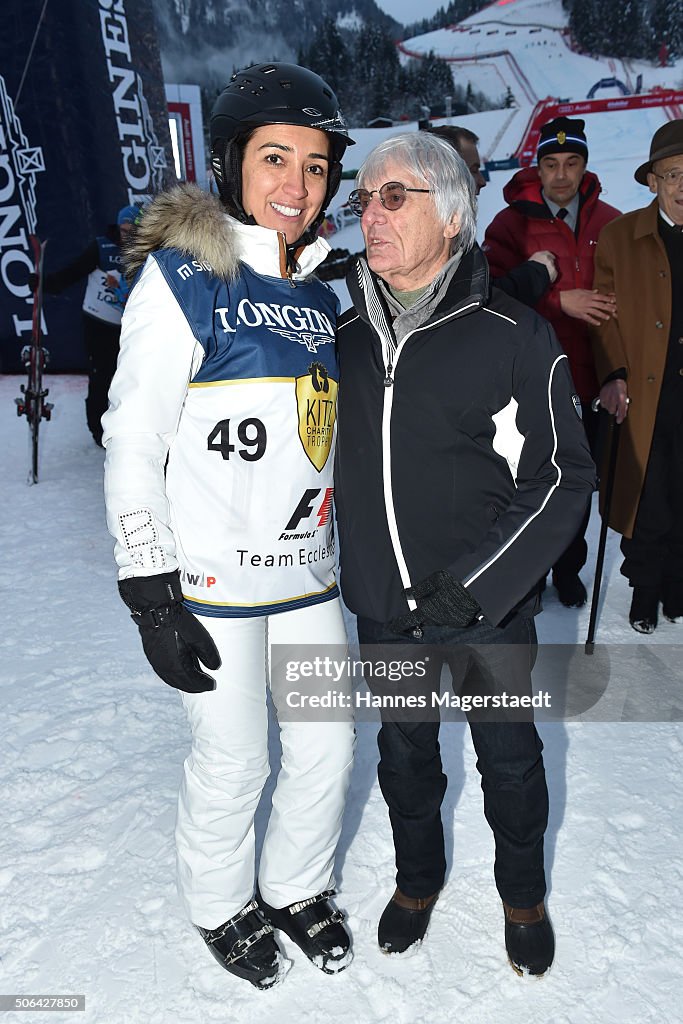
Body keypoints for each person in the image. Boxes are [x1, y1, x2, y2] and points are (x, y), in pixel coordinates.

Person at [101, 63, 356, 989]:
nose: (296, 185)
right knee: (235, 754)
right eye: (275, 158)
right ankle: (219, 903)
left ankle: (293, 884)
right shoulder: (186, 277)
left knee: (328, 746)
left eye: (317, 166)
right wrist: (147, 587)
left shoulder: (327, 291)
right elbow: (133, 434)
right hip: (213, 581)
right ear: (229, 163)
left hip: (306, 577)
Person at [334, 132, 595, 976]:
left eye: (393, 196)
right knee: (404, 756)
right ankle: (417, 883)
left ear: (450, 218)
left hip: (486, 610)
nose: (371, 213)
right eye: (364, 199)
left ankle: (522, 895)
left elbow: (562, 477)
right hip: (381, 605)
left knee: (509, 762)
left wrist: (475, 589)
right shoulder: (340, 333)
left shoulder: (512, 335)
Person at [483, 116, 620, 608]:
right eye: (551, 163)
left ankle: (567, 565)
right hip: (530, 376)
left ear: (585, 165)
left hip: (587, 375)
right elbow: (492, 296)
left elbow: (625, 304)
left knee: (577, 479)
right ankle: (529, 569)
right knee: (529, 477)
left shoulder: (611, 223)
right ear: (537, 167)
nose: (561, 174)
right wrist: (561, 301)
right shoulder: (510, 224)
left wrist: (615, 373)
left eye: (571, 162)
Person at [591, 119, 683, 633]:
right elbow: (604, 315)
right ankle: (645, 589)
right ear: (653, 181)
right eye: (672, 175)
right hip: (646, 394)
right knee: (649, 496)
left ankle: (678, 584)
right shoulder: (620, 237)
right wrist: (614, 374)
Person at [30, 206, 138, 445]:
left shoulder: (144, 249)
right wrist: (43, 283)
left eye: (132, 231)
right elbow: (73, 272)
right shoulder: (102, 246)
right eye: (123, 230)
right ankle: (97, 430)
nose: (127, 236)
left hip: (129, 325)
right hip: (98, 322)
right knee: (101, 375)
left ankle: (130, 426)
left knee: (131, 377)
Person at [424, 124, 558, 305]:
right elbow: (477, 305)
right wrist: (536, 273)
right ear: (442, 173)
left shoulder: (449, 230)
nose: (482, 181)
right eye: (472, 170)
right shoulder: (427, 238)